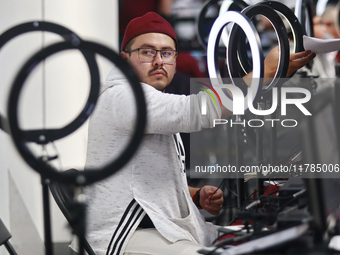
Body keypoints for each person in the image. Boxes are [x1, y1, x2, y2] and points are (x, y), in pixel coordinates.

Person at [70, 12, 315, 255]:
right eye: (147, 51)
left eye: (167, 53)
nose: (158, 60)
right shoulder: (123, 96)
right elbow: (199, 110)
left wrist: (192, 195)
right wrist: (265, 71)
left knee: (253, 238)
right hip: (118, 237)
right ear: (125, 59)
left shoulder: (147, 100)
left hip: (152, 227)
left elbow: (134, 180)